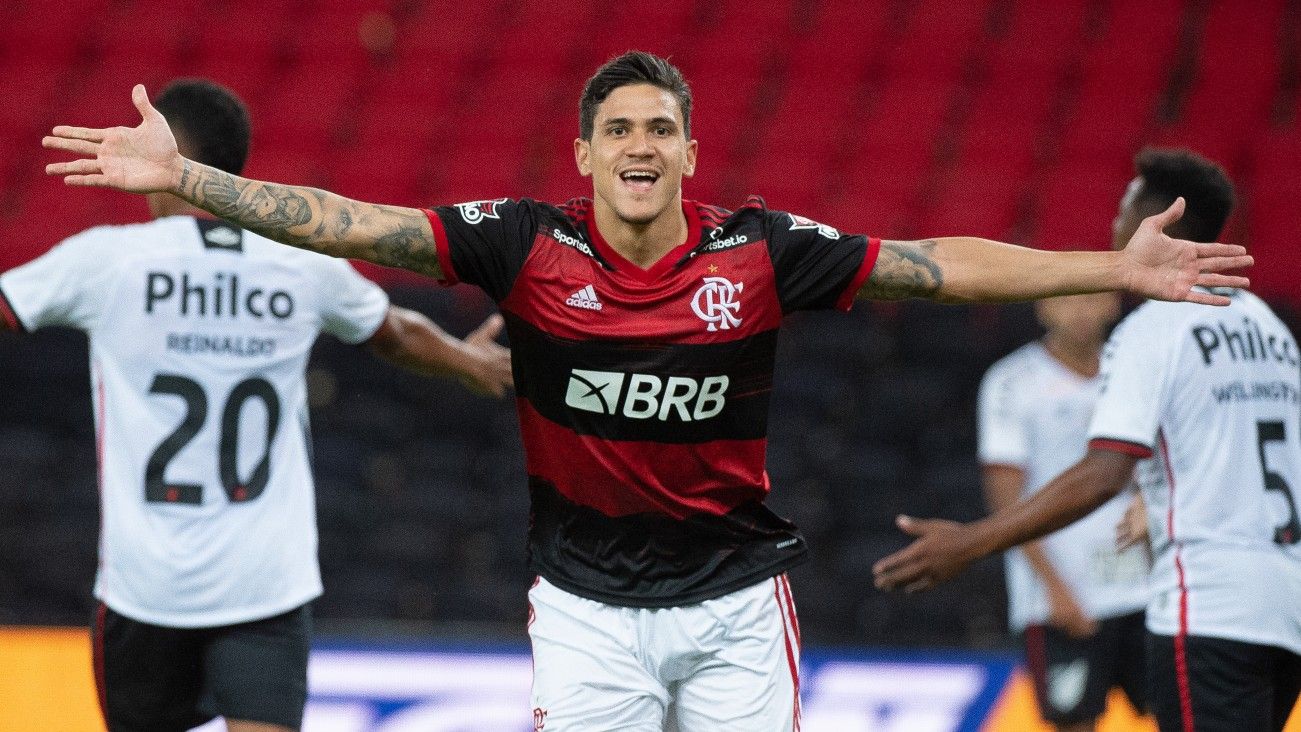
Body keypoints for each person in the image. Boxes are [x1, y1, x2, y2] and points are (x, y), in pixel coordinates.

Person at [43, 54, 1251, 730]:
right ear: (582, 153)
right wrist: (191, 180)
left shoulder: (758, 251)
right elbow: (353, 223)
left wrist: (1112, 266)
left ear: (687, 151)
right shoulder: (522, 242)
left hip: (733, 603)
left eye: (659, 129)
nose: (638, 144)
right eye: (616, 127)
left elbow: (938, 266)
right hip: (585, 608)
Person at [5, 79, 512, 732]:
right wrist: (467, 360)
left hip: (144, 587)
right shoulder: (297, 261)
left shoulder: (106, 261)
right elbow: (395, 331)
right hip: (264, 586)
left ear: (164, 155)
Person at [874, 148, 1300, 732]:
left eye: (1124, 211)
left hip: (1208, 602)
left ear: (1155, 222)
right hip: (1283, 605)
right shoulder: (1270, 328)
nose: (1114, 227)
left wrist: (971, 542)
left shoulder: (1154, 326)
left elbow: (1104, 473)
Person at [978, 291, 1149, 731]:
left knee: (1179, 715)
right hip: (1061, 596)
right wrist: (1055, 589)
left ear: (1113, 303)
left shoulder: (1137, 373)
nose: (1081, 311)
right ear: (1042, 307)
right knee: (1074, 723)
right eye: (1067, 299)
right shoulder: (1011, 381)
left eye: (1092, 298)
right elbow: (1006, 502)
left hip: (1143, 590)